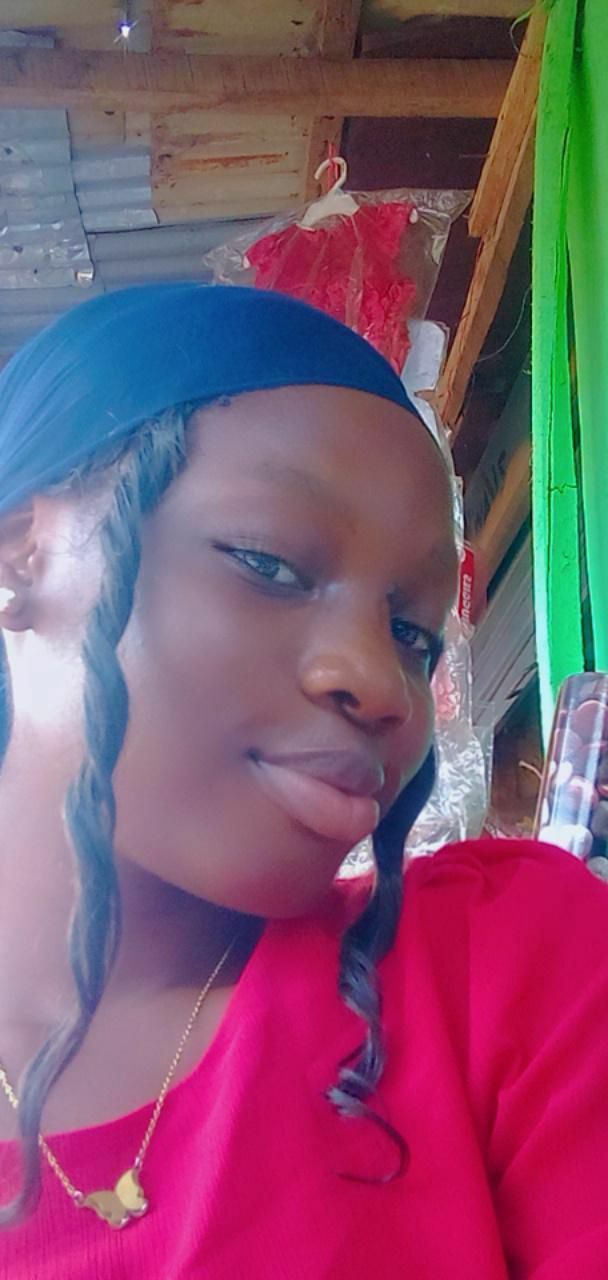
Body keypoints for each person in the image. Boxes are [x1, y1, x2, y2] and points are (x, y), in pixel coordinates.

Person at [0, 284, 606, 1280]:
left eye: (411, 632)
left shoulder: (507, 979)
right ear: (22, 556)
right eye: (270, 564)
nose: (381, 681)